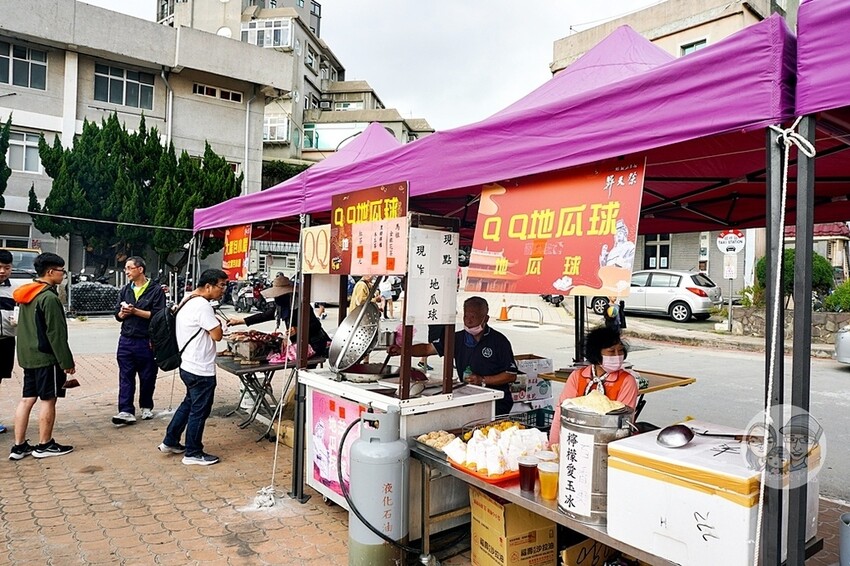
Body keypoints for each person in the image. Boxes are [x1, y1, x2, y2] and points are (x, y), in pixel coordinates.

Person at [389, 297, 518, 415]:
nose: (468, 320)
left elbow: (511, 375)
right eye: (466, 316)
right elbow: (428, 349)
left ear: (486, 318)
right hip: (467, 397)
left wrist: (482, 380)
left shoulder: (499, 341)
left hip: (496, 402)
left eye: (473, 317)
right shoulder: (456, 338)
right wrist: (402, 350)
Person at [10, 253, 76, 459]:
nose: (63, 275)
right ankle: (44, 444)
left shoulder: (27, 293)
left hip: (28, 357)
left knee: (27, 399)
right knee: (48, 399)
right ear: (50, 272)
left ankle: (19, 446)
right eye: (61, 271)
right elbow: (56, 334)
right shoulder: (48, 298)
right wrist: (67, 362)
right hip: (46, 358)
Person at [159, 269, 228, 466]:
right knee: (199, 410)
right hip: (200, 368)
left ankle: (170, 440)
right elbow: (217, 335)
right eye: (221, 285)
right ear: (208, 286)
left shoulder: (188, 298)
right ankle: (193, 452)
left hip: (188, 364)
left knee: (189, 404)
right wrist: (219, 326)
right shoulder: (202, 305)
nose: (223, 290)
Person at [549, 326, 639, 446]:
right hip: (575, 440)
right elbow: (562, 411)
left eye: (621, 351)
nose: (618, 355)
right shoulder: (577, 377)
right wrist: (553, 444)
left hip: (608, 444)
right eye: (611, 351)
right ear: (596, 354)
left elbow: (622, 423)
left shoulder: (627, 381)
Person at [112, 256, 167, 425]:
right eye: (126, 269)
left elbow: (158, 316)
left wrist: (135, 311)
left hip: (147, 340)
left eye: (129, 268)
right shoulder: (125, 290)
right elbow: (117, 315)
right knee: (125, 376)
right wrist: (122, 314)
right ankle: (125, 410)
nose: (126, 272)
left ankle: (146, 406)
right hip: (126, 340)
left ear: (140, 269)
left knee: (148, 376)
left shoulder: (156, 290)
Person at [229, 274, 330, 359]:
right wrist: (240, 321)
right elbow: (265, 315)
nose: (277, 297)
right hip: (299, 344)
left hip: (315, 343)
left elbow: (315, 325)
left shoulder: (302, 305)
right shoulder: (281, 306)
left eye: (280, 294)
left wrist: (298, 329)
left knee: (305, 371)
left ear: (289, 293)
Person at [0, 249, 17, 433]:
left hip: (6, 341)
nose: (2, 271)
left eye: (6, 267)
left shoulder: (15, 290)